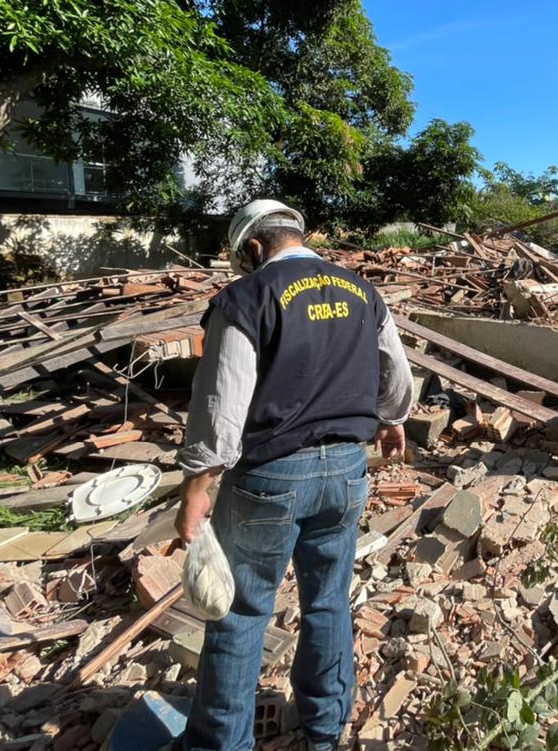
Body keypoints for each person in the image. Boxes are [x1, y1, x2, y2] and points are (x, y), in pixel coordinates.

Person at [177, 199, 414, 751]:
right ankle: (325, 730)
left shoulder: (246, 298)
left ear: (254, 248)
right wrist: (392, 420)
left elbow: (221, 408)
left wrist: (195, 489)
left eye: (244, 260)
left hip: (270, 476)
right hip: (349, 470)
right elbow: (397, 377)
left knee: (240, 611)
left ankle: (222, 744)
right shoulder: (363, 291)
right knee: (328, 599)